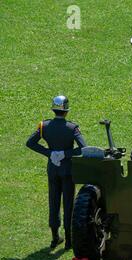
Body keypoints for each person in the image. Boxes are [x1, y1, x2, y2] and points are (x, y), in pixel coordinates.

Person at [26, 95, 87, 250]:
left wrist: (49, 153)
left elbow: (30, 143)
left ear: (53, 109)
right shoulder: (72, 128)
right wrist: (66, 153)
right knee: (68, 204)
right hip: (67, 170)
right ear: (66, 111)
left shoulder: (44, 126)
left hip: (53, 169)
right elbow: (83, 148)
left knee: (53, 202)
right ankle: (68, 240)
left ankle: (55, 238)